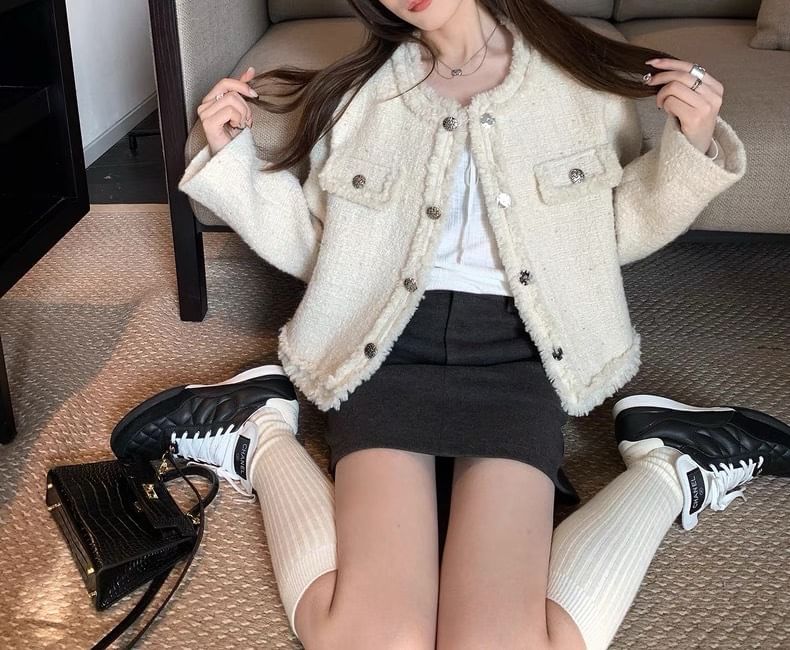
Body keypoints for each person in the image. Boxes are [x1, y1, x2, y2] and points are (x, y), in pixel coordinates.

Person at [112, 1, 790, 649]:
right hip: (383, 350)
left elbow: (606, 236)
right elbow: (323, 252)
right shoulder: (360, 95)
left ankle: (671, 463)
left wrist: (691, 144)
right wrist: (229, 160)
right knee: (373, 640)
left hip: (519, 354)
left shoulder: (579, 85)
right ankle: (259, 433)